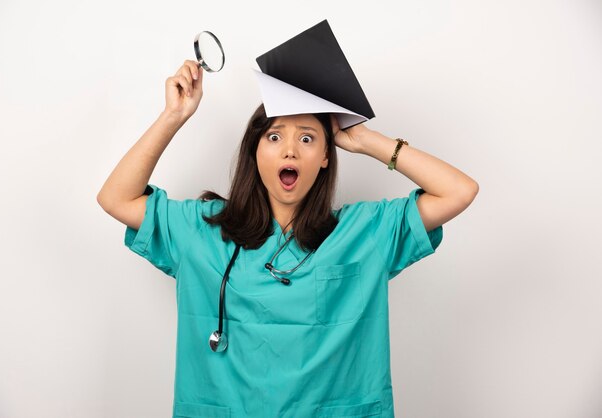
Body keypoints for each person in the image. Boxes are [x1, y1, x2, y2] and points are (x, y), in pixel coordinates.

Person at [97, 59, 479, 418]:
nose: (291, 149)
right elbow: (116, 198)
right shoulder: (201, 229)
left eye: (308, 139)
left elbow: (458, 191)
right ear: (255, 151)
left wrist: (366, 140)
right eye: (275, 136)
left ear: (326, 156)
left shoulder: (365, 232)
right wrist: (173, 116)